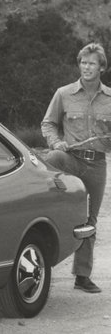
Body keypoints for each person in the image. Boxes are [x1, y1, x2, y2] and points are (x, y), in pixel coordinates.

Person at [41, 42, 111, 293]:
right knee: (54, 157)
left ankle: (82, 276)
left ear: (101, 67)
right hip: (70, 159)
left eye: (92, 63)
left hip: (96, 165)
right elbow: (48, 124)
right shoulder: (64, 93)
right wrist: (56, 141)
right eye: (83, 62)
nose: (86, 67)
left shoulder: (110, 99)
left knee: (89, 220)